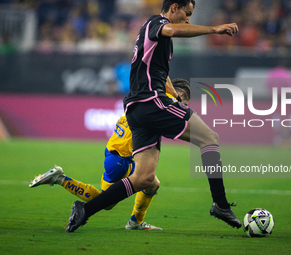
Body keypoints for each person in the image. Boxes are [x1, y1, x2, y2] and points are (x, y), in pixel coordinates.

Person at [66, 0, 241, 233]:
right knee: (209, 138)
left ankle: (84, 210)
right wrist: (214, 29)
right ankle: (220, 204)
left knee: (144, 178)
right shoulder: (156, 23)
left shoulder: (159, 41)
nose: (188, 19)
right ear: (173, 7)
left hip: (137, 110)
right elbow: (174, 29)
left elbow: (160, 74)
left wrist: (174, 95)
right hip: (150, 101)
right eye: (186, 14)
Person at [30, 78, 191, 231]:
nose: (183, 107)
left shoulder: (151, 96)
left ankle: (135, 222)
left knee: (152, 183)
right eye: (185, 104)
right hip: (122, 158)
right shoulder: (167, 102)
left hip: (118, 153)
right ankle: (60, 179)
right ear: (181, 95)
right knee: (106, 201)